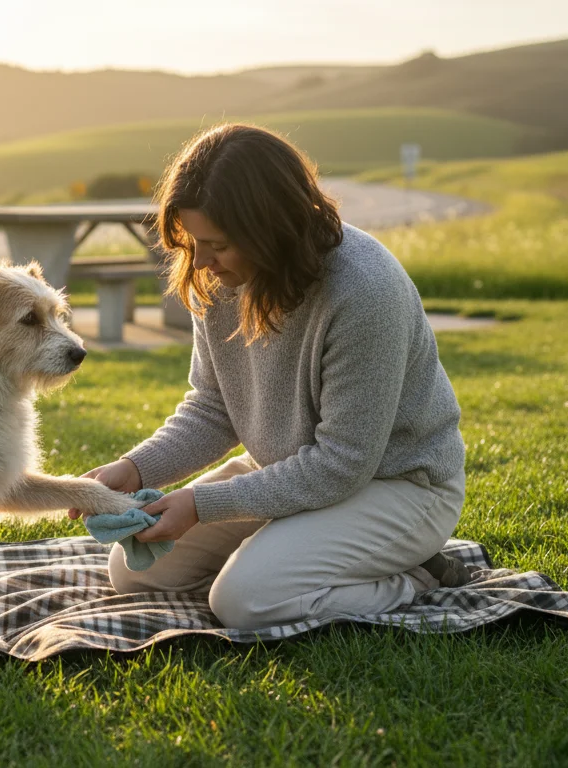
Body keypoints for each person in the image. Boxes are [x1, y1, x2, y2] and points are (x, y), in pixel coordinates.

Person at [69, 124, 472, 629]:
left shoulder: (364, 291)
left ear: (270, 228)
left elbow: (343, 464)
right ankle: (291, 553)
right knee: (135, 573)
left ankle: (417, 576)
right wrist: (134, 471)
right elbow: (213, 407)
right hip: (288, 472)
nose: (200, 260)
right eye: (193, 242)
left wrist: (202, 503)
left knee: (245, 602)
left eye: (216, 243)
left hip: (398, 485)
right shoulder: (220, 279)